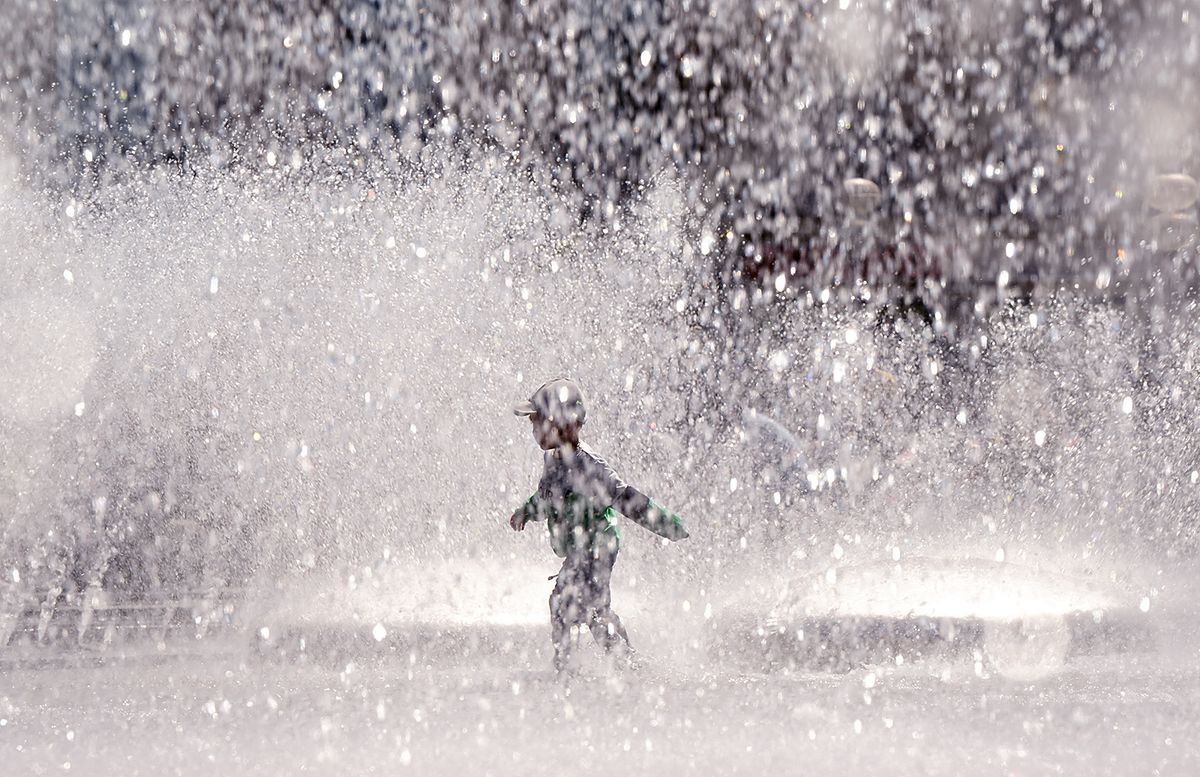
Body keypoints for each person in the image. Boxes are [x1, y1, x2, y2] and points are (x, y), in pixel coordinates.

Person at [509, 378, 689, 673]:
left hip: (598, 545)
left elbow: (625, 497)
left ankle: (601, 663)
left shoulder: (589, 465)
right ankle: (610, 660)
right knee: (584, 607)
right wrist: (526, 512)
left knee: (574, 604)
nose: (533, 430)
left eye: (538, 421)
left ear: (564, 424)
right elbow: (546, 494)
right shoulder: (553, 457)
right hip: (581, 545)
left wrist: (669, 526)